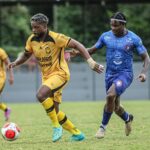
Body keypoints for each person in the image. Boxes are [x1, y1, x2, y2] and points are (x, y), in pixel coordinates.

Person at [9, 13, 104, 142]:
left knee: (40, 95)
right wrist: (16, 62)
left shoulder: (56, 38)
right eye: (32, 27)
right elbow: (26, 55)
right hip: (47, 77)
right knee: (54, 110)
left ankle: (56, 127)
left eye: (36, 27)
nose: (33, 30)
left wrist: (90, 61)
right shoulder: (31, 39)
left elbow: (78, 45)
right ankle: (77, 134)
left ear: (44, 26)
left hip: (60, 74)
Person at [69, 12, 150, 138]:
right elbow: (92, 50)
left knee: (110, 95)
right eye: (111, 25)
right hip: (109, 74)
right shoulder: (105, 36)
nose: (113, 28)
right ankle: (128, 118)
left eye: (116, 26)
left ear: (123, 25)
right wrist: (78, 52)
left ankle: (102, 128)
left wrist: (143, 73)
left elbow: (146, 57)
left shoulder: (133, 38)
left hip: (125, 74)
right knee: (115, 106)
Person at [0, 48, 14, 121]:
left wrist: (11, 76)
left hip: (1, 78)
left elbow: (8, 63)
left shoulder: (1, 51)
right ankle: (6, 109)